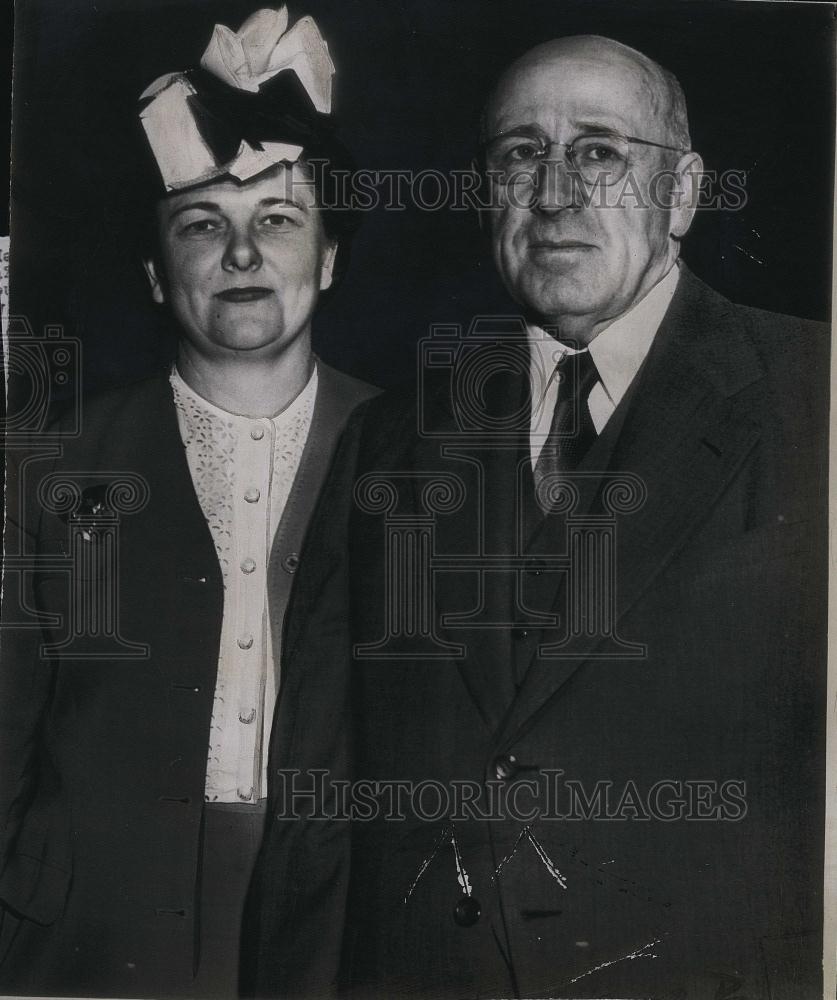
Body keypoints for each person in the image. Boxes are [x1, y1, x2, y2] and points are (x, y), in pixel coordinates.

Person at [251, 34, 828, 999]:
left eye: (599, 151)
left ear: (683, 195)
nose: (554, 191)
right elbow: (319, 806)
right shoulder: (390, 441)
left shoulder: (816, 396)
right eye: (520, 154)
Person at [0, 7, 376, 997]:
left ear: (330, 258)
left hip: (331, 927)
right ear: (156, 273)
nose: (243, 256)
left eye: (279, 221)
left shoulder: (408, 455)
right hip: (90, 926)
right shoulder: (51, 460)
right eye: (204, 224)